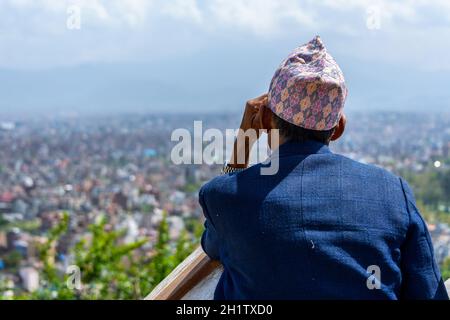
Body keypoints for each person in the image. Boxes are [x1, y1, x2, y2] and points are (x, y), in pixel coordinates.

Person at [199, 36, 449, 300]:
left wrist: (243, 144)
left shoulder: (225, 198)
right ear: (338, 128)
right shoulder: (392, 193)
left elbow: (213, 244)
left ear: (263, 119)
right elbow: (429, 292)